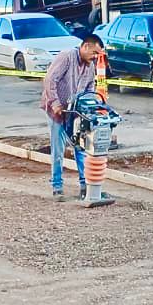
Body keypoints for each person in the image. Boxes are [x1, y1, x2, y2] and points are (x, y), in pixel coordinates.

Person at [40, 34, 104, 200]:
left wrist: (90, 105)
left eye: (98, 55)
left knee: (81, 148)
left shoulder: (89, 65)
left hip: (75, 112)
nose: (95, 57)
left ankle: (85, 186)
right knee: (58, 149)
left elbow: (90, 86)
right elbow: (49, 80)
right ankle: (57, 187)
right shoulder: (67, 56)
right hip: (57, 111)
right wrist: (55, 104)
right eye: (94, 53)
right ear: (86, 46)